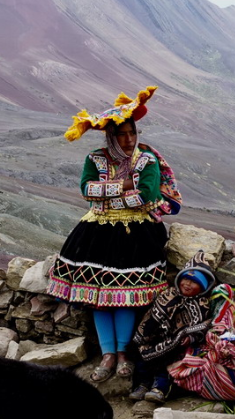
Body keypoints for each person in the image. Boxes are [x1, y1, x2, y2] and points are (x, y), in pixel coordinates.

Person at [46, 86, 182, 383]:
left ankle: (122, 353)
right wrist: (123, 186)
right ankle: (107, 353)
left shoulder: (147, 159)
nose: (129, 139)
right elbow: (86, 190)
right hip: (97, 233)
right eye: (122, 134)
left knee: (126, 297)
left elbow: (146, 196)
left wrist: (107, 194)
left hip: (137, 234)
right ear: (111, 136)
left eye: (132, 133)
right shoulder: (95, 158)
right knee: (99, 297)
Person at [129, 251, 216, 403]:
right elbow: (152, 315)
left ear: (203, 287)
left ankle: (160, 389)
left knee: (170, 363)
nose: (187, 284)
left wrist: (190, 337)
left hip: (178, 344)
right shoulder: (168, 294)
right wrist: (146, 335)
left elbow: (202, 326)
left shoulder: (202, 304)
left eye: (194, 282)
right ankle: (142, 385)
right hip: (156, 338)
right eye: (186, 279)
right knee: (142, 358)